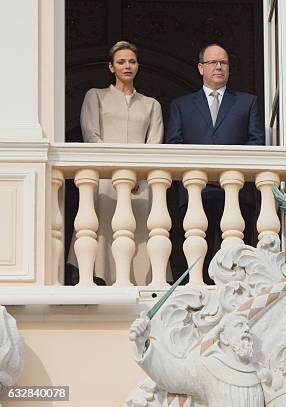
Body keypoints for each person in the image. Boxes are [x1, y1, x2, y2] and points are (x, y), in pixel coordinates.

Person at [165, 43, 264, 283]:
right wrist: (204, 174)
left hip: (236, 190)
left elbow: (256, 142)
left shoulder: (247, 102)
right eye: (212, 62)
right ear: (200, 68)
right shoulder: (182, 105)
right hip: (196, 191)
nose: (218, 67)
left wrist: (225, 173)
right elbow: (174, 145)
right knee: (198, 253)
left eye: (223, 63)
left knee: (235, 256)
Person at [69, 41, 164, 286]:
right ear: (111, 67)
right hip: (105, 183)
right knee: (100, 236)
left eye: (131, 61)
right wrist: (115, 174)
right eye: (121, 62)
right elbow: (92, 136)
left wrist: (136, 175)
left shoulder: (151, 104)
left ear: (138, 66)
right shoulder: (96, 96)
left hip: (139, 186)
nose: (127, 66)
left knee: (142, 240)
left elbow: (154, 143)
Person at [129, 312, 264, 406]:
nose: (246, 329)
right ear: (224, 338)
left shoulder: (257, 371)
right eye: (239, 325)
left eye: (247, 326)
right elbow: (173, 377)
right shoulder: (211, 367)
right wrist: (143, 344)